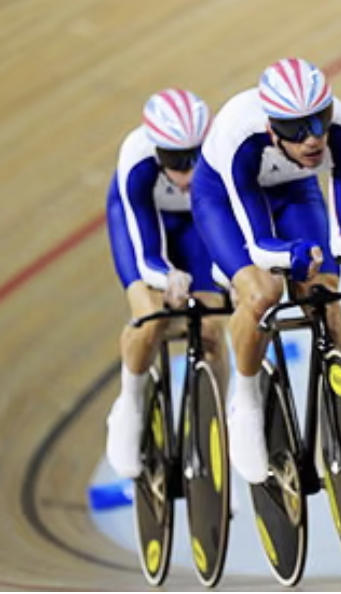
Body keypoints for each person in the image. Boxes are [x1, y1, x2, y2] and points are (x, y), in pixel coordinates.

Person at [191, 58, 341, 484]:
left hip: (294, 191)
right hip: (225, 202)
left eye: (319, 120)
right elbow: (258, 243)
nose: (312, 138)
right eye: (295, 129)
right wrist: (291, 255)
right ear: (272, 127)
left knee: (325, 300)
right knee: (262, 294)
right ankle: (246, 402)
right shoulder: (241, 135)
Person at [105, 89, 229, 478]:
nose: (190, 173)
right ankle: (130, 405)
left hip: (195, 222)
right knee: (152, 316)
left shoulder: (221, 149)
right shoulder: (137, 159)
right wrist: (167, 276)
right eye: (177, 161)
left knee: (212, 327)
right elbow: (147, 255)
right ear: (158, 152)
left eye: (197, 156)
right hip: (145, 220)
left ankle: (214, 432)